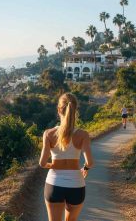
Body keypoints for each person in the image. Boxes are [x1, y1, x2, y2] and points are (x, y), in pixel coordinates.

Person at [39, 93, 93, 221]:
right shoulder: (83, 135)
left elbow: (42, 163)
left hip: (54, 183)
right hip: (76, 184)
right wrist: (85, 167)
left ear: (59, 109)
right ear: (75, 110)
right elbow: (90, 162)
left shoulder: (49, 134)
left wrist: (51, 165)